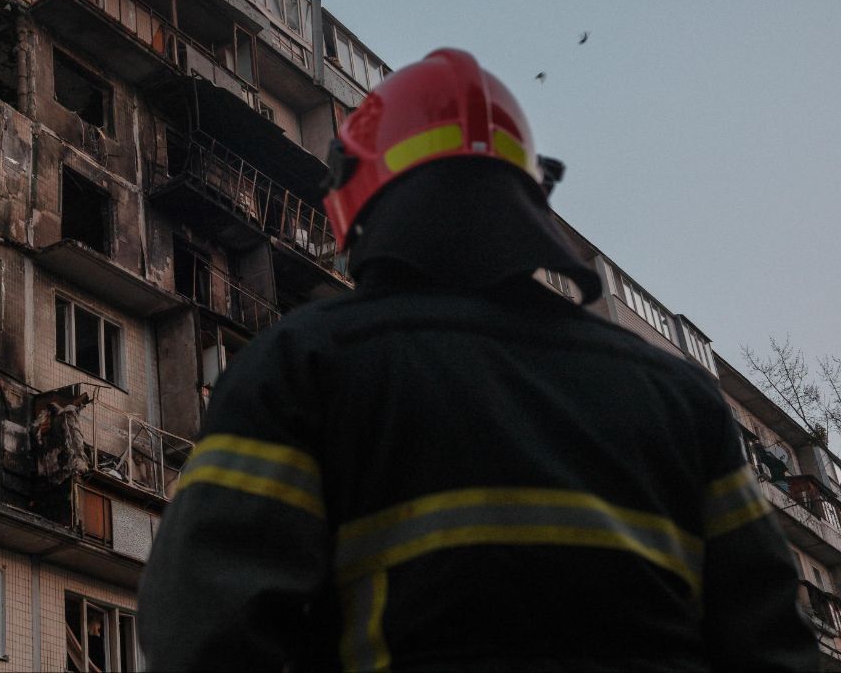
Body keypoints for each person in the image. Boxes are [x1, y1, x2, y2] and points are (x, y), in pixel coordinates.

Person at [138, 49, 815, 671]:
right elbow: (773, 646)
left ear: (361, 199)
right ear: (527, 192)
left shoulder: (306, 366)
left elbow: (200, 636)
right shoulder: (681, 397)